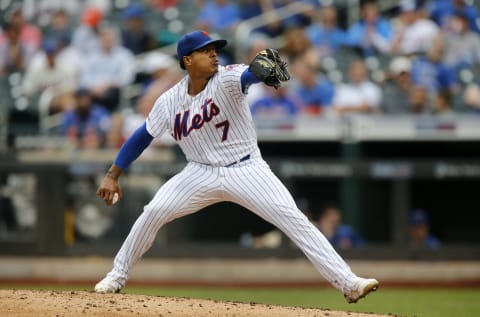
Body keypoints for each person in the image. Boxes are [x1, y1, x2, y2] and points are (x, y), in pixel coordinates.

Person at [93, 30, 379, 303]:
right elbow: (143, 136)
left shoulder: (227, 77)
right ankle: (116, 276)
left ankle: (348, 282)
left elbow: (250, 74)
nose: (215, 55)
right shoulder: (169, 101)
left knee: (294, 219)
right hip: (199, 171)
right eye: (206, 51)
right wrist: (112, 174)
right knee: (153, 211)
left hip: (246, 168)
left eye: (215, 49)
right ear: (187, 60)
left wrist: (263, 66)